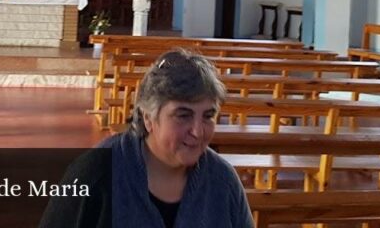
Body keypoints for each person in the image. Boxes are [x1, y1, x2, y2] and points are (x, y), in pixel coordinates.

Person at [39, 49, 253, 228]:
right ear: (148, 117)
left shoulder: (222, 180)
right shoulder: (95, 173)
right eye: (183, 115)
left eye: (208, 116)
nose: (198, 131)